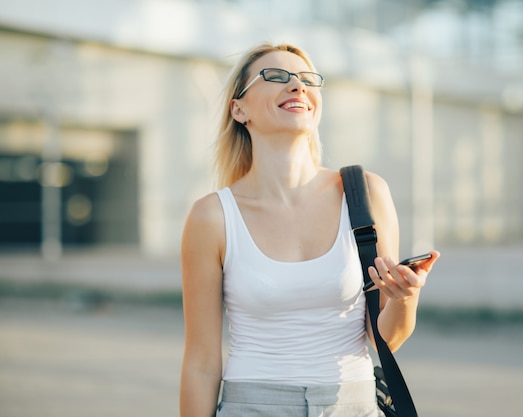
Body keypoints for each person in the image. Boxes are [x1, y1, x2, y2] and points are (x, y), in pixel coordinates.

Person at [179, 42, 440, 417]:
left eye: (307, 79)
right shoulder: (212, 216)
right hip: (252, 407)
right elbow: (201, 362)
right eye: (276, 76)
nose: (297, 86)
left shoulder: (367, 194)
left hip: (353, 405)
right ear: (239, 109)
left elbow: (386, 339)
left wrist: (404, 298)